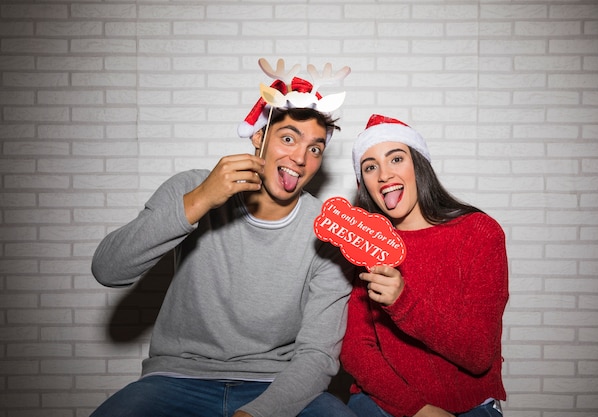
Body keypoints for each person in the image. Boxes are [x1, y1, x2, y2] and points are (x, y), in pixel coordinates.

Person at [90, 59, 355, 417]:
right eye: (289, 138)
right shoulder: (191, 187)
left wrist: (259, 414)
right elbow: (108, 269)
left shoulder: (328, 230)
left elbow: (318, 355)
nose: (299, 158)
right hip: (177, 377)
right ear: (260, 137)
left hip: (278, 383)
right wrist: (200, 200)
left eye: (315, 148)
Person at [339, 114, 509, 417]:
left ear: (419, 165)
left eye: (396, 158)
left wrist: (403, 302)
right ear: (362, 181)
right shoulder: (364, 243)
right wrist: (418, 410)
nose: (383, 174)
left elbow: (479, 354)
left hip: (468, 405)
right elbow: (356, 350)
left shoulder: (479, 233)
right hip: (384, 402)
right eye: (370, 166)